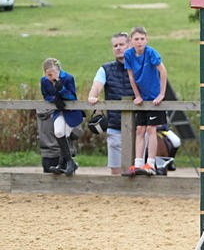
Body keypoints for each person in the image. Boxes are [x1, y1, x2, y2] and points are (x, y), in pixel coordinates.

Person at [123, 25, 168, 176]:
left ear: (146, 40)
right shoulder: (128, 55)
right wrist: (137, 96)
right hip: (142, 97)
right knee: (140, 129)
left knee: (151, 129)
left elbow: (163, 71)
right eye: (136, 39)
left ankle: (151, 163)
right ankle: (138, 164)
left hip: (154, 97)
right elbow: (131, 76)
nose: (139, 42)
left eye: (142, 39)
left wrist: (161, 94)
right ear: (131, 41)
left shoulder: (151, 53)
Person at [86, 31, 132, 175]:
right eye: (115, 45)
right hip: (115, 125)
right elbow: (97, 86)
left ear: (129, 45)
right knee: (116, 171)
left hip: (138, 126)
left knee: (138, 169)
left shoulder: (140, 66)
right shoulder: (105, 69)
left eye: (121, 44)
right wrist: (93, 97)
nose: (118, 48)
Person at [40, 58, 84, 175]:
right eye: (48, 75)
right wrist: (54, 99)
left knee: (66, 134)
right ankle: (69, 162)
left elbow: (72, 96)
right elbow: (46, 95)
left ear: (58, 70)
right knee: (59, 132)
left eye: (53, 73)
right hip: (59, 111)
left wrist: (62, 89)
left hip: (71, 112)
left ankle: (63, 163)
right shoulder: (44, 81)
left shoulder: (68, 78)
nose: (51, 77)